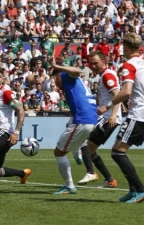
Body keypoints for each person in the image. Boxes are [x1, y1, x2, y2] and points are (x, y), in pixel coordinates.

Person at [98, 33, 144, 203]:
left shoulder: (129, 65)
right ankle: (133, 190)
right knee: (119, 151)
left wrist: (107, 106)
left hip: (138, 114)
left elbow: (126, 92)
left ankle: (139, 190)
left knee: (118, 152)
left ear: (125, 47)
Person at [46, 53, 98, 194]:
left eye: (54, 79)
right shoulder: (73, 84)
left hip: (83, 120)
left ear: (57, 76)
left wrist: (56, 66)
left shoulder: (65, 76)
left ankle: (69, 185)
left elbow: (77, 71)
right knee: (70, 133)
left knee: (59, 152)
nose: (55, 84)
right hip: (89, 119)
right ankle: (77, 154)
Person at [76, 50, 120, 188]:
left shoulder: (107, 75)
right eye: (91, 63)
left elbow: (117, 94)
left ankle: (92, 173)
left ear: (104, 61)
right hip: (105, 117)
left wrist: (113, 115)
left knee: (84, 143)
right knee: (89, 148)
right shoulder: (103, 76)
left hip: (108, 119)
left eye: (96, 63)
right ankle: (109, 180)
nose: (93, 66)